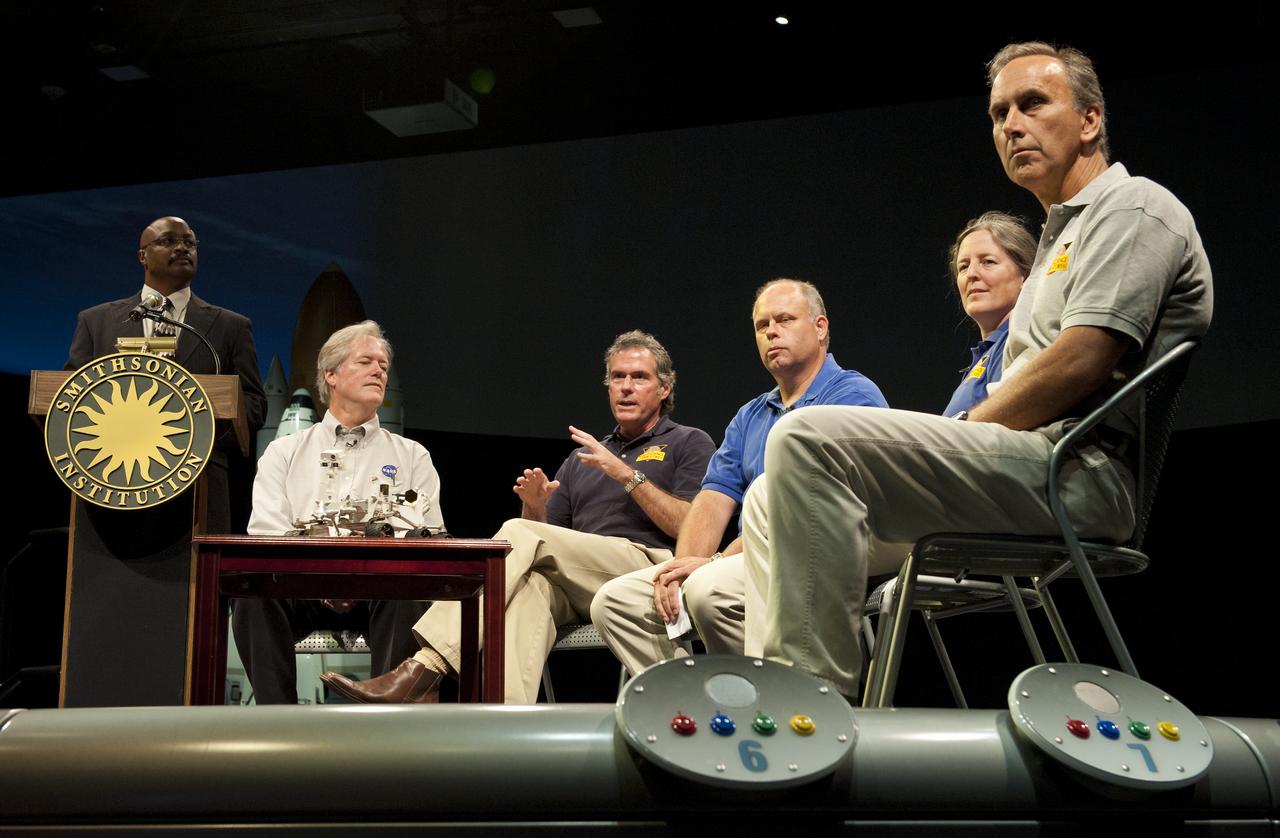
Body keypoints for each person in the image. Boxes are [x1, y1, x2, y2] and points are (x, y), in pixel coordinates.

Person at [743, 41, 1213, 699]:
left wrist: (967, 430)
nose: (1011, 125)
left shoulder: (1132, 207)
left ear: (1089, 120)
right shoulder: (1058, 234)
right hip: (1027, 468)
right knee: (769, 495)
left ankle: (814, 700)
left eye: (1032, 104)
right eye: (998, 114)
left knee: (802, 439)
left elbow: (1082, 362)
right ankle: (787, 687)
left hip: (1076, 475)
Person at [322, 330, 716, 704]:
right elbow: (548, 536)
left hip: (650, 570)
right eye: (617, 377)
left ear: (664, 388)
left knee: (514, 534)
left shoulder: (688, 442)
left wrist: (627, 475)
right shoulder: (583, 457)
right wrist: (535, 506)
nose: (626, 386)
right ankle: (504, 735)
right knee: (526, 592)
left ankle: (421, 667)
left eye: (639, 377)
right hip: (583, 580)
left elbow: (688, 525)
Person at [591, 279, 887, 675]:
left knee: (710, 591)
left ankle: (770, 703)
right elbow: (713, 499)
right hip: (747, 560)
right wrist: (680, 568)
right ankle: (695, 710)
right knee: (614, 602)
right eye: (762, 325)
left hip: (817, 554)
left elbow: (809, 512)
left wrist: (712, 562)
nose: (772, 332)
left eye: (785, 320)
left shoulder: (852, 395)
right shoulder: (750, 415)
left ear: (820, 328)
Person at [233, 321, 442, 704]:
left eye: (383, 363)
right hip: (302, 590)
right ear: (330, 374)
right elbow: (268, 532)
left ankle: (392, 725)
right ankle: (277, 720)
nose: (379, 370)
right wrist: (322, 580)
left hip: (383, 591)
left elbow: (425, 535)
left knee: (410, 590)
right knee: (252, 593)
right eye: (365, 361)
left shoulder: (413, 456)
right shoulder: (284, 452)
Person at [65, 215, 267, 532]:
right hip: (110, 485)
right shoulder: (97, 321)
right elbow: (69, 401)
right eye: (168, 241)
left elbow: (254, 406)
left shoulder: (231, 327)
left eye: (189, 242)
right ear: (142, 256)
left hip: (198, 489)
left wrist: (195, 428)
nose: (181, 248)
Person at [943, 211, 1038, 417]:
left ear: (1026, 275)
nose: (972, 274)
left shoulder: (1027, 337)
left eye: (988, 262)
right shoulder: (984, 356)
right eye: (963, 267)